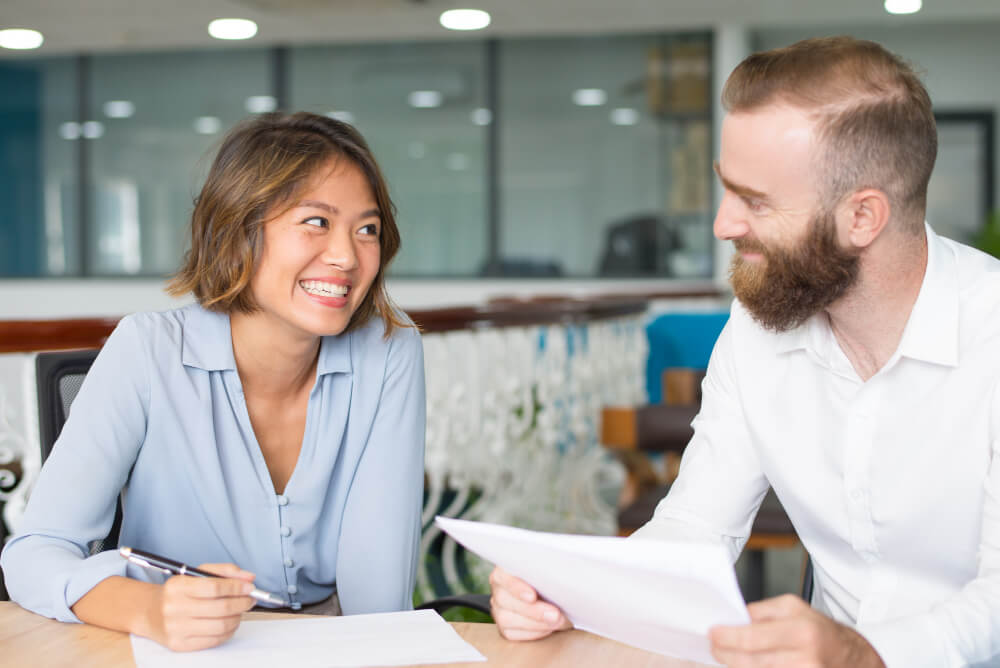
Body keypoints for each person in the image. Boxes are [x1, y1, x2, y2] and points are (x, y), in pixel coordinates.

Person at [488, 36, 1000, 667]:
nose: (722, 224)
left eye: (755, 200)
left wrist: (861, 653)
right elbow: (696, 530)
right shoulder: (758, 328)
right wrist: (578, 594)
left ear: (862, 217)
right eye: (727, 190)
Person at [1, 112, 426, 652]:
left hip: (334, 641)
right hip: (174, 644)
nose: (346, 256)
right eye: (316, 221)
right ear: (239, 229)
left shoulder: (389, 352)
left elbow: (377, 595)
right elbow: (35, 552)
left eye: (366, 229)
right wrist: (150, 610)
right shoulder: (147, 351)